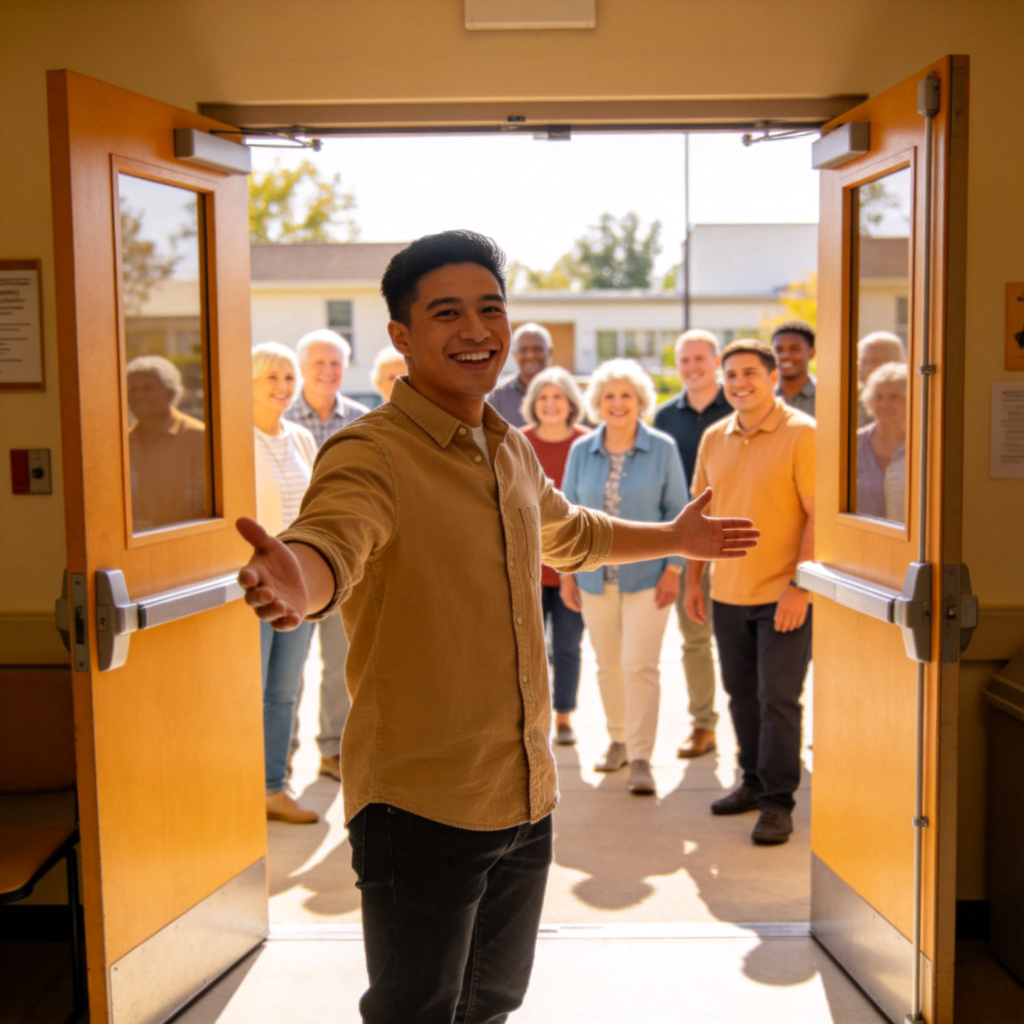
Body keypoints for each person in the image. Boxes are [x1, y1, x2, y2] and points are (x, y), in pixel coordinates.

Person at [234, 230, 758, 1024]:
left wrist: (676, 540)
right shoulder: (368, 454)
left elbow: (571, 532)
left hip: (522, 794)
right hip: (421, 804)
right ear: (401, 337)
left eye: (491, 308)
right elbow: (332, 538)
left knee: (491, 1003)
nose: (476, 330)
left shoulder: (503, 445)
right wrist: (297, 579)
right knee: (418, 1009)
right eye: (447, 312)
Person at [684, 339, 814, 847]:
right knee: (741, 696)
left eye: (750, 374)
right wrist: (694, 579)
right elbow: (698, 519)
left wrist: (800, 587)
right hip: (728, 593)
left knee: (777, 698)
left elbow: (817, 517)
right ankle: (753, 782)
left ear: (773, 377)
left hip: (784, 593)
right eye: (731, 375)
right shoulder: (714, 437)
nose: (739, 383)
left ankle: (778, 803)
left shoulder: (804, 435)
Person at [561, 359, 689, 797]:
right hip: (594, 579)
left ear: (640, 402)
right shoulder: (582, 451)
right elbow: (566, 518)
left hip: (649, 579)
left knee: (640, 666)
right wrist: (567, 575)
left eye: (626, 396)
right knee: (608, 665)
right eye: (609, 396)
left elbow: (678, 513)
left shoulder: (663, 448)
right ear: (598, 403)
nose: (618, 404)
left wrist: (674, 570)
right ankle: (617, 739)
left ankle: (640, 757)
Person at [284, 330, 369, 782]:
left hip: (345, 562)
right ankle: (282, 753)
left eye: (336, 363)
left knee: (340, 664)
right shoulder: (277, 417)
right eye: (319, 363)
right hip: (290, 562)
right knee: (288, 670)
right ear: (303, 367)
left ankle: (333, 750)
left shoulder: (362, 421)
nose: (328, 371)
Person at [653, 329, 732, 760]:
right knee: (695, 640)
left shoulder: (738, 409)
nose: (693, 367)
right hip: (688, 547)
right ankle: (704, 725)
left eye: (700, 358)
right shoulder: (665, 419)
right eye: (685, 360)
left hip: (737, 541)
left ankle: (754, 731)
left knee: (745, 642)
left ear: (716, 361)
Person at [251, 342, 319, 824]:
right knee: (247, 690)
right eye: (271, 378)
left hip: (299, 585)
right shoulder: (232, 440)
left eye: (289, 378)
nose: (282, 388)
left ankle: (273, 788)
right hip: (252, 587)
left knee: (284, 691)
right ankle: (237, 787)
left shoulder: (299, 438)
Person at [520, 367, 590, 746]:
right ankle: (534, 719)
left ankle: (563, 717)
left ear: (570, 403)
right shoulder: (517, 442)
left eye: (557, 397)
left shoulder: (587, 443)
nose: (550, 404)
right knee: (527, 650)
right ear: (533, 404)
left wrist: (574, 567)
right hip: (526, 566)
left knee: (566, 645)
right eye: (543, 398)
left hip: (573, 566)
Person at [125, 355, 207, 532]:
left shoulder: (197, 437)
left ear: (170, 392)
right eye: (133, 390)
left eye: (148, 389)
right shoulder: (124, 442)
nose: (140, 396)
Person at [855, 361, 907, 521]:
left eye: (894, 397)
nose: (885, 404)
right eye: (879, 397)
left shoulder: (923, 446)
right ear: (869, 401)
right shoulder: (853, 445)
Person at [486, 321, 552, 426]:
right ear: (515, 354)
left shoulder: (566, 393)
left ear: (550, 352)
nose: (530, 356)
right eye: (523, 350)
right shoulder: (498, 395)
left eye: (537, 349)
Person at [856, 331, 906, 426]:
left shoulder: (908, 397)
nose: (866, 367)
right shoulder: (851, 396)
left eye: (874, 362)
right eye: (863, 361)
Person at [770, 320, 817, 417]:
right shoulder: (761, 395)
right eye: (779, 350)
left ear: (811, 353)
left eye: (794, 349)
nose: (785, 356)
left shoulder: (828, 397)